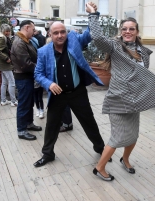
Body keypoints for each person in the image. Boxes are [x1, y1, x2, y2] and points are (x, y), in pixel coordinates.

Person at [86, 2, 155, 181]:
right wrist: (93, 15)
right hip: (118, 99)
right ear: (120, 31)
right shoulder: (115, 47)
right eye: (124, 29)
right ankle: (99, 168)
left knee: (133, 134)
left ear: (137, 31)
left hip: (134, 101)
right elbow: (98, 39)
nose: (127, 31)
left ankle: (126, 159)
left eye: (131, 29)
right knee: (117, 137)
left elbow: (142, 76)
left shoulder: (144, 52)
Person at [33, 16, 108, 168]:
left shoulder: (74, 41)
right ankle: (48, 154)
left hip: (77, 92)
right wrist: (49, 83)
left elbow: (90, 33)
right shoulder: (43, 52)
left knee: (89, 122)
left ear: (66, 33)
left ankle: (101, 149)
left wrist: (93, 15)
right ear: (50, 34)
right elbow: (38, 74)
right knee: (51, 126)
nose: (60, 35)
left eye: (62, 32)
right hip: (57, 95)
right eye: (56, 33)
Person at [11, 20, 42, 141]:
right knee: (24, 104)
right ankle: (22, 130)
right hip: (23, 77)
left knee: (29, 102)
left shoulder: (24, 40)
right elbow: (26, 64)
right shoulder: (19, 42)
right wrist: (41, 68)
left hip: (27, 76)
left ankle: (29, 124)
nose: (34, 32)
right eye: (33, 30)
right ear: (27, 28)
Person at [0, 24, 18, 107]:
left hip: (2, 63)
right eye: (6, 31)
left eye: (8, 31)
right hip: (5, 63)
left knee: (4, 83)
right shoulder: (2, 39)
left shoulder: (2, 37)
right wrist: (6, 58)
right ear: (2, 31)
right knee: (11, 82)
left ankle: (3, 100)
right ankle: (13, 101)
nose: (8, 32)